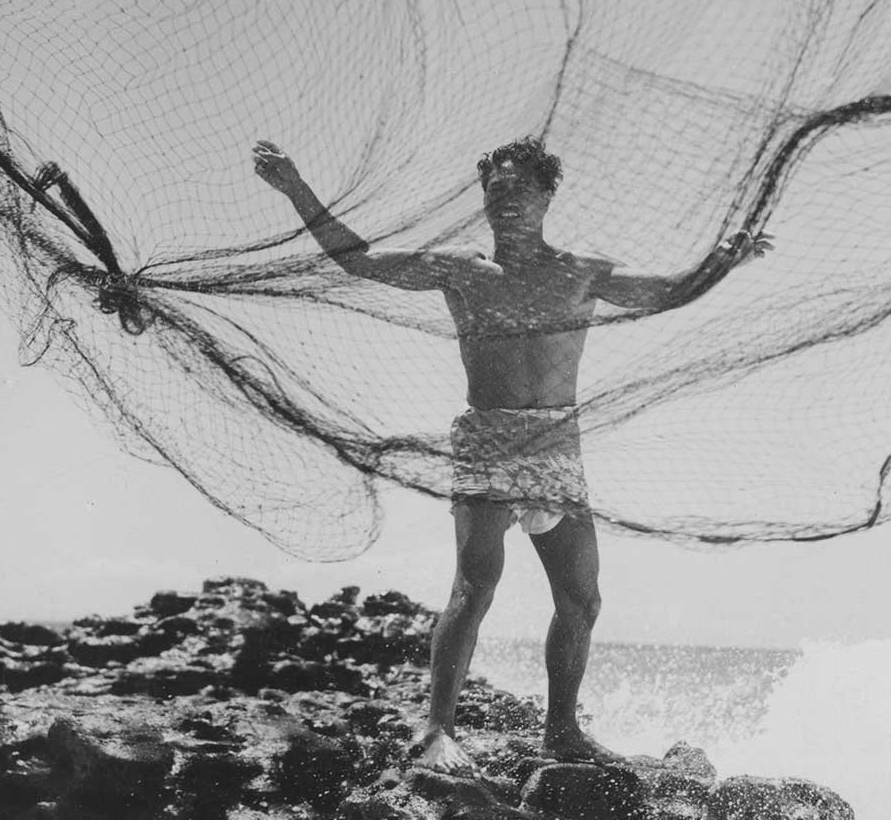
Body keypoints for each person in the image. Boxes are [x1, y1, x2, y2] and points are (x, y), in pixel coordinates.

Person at [253, 135, 771, 775]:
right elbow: (359, 261)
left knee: (581, 599)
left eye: (520, 189)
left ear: (547, 196)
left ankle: (561, 733)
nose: (506, 201)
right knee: (475, 585)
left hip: (556, 443)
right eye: (495, 190)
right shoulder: (461, 270)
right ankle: (437, 731)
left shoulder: (582, 272)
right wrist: (296, 187)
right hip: (488, 437)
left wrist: (721, 262)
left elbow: (666, 291)